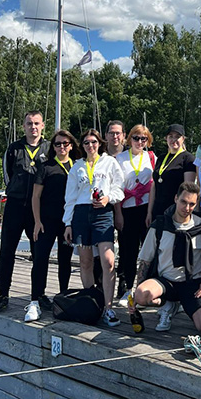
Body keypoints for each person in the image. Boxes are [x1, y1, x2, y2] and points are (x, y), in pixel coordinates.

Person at [134, 182, 201, 335]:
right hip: (166, 282)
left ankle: (190, 307)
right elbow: (145, 261)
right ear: (175, 198)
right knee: (141, 295)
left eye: (192, 204)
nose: (187, 208)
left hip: (193, 284)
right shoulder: (159, 226)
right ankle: (167, 304)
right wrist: (136, 293)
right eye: (183, 202)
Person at [0, 111, 51, 314]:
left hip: (38, 209)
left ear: (42, 125)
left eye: (36, 123)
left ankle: (39, 294)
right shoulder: (13, 148)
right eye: (29, 123)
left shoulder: (49, 148)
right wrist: (15, 190)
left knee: (39, 253)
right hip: (15, 206)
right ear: (23, 126)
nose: (33, 127)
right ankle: (3, 294)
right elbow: (8, 175)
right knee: (7, 251)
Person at [63, 129, 125, 327]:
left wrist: (108, 198)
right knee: (85, 262)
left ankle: (108, 308)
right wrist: (68, 223)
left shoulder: (109, 162)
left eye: (94, 142)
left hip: (102, 213)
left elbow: (119, 188)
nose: (91, 146)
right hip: (81, 214)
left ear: (100, 143)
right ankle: (92, 304)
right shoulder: (76, 167)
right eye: (87, 143)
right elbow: (70, 197)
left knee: (108, 261)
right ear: (82, 146)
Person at [25, 130, 81, 322]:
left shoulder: (77, 166)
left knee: (65, 261)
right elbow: (35, 196)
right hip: (46, 221)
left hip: (68, 223)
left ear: (71, 146)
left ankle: (62, 298)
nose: (62, 147)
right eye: (58, 144)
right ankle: (34, 301)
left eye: (65, 143)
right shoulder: (45, 166)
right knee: (40, 259)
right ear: (53, 147)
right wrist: (37, 221)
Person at [115, 125, 156, 306]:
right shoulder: (120, 158)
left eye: (143, 139)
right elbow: (116, 187)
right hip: (127, 208)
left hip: (146, 209)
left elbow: (153, 186)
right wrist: (118, 214)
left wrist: (150, 213)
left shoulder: (151, 157)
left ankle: (146, 289)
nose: (139, 142)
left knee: (148, 252)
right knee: (128, 252)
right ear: (129, 139)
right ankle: (127, 289)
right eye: (136, 138)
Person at [147, 124, 196, 225]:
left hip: (175, 210)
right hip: (157, 209)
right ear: (166, 138)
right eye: (170, 136)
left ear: (183, 139)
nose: (174, 140)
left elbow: (188, 190)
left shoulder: (188, 159)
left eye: (177, 137)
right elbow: (154, 186)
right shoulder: (161, 158)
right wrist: (149, 212)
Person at [104, 120, 127, 297]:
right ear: (106, 136)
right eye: (111, 133)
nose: (115, 136)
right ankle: (101, 284)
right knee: (103, 248)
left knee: (126, 246)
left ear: (124, 136)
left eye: (118, 133)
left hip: (127, 206)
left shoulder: (129, 156)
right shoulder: (100, 155)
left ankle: (123, 282)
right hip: (103, 207)